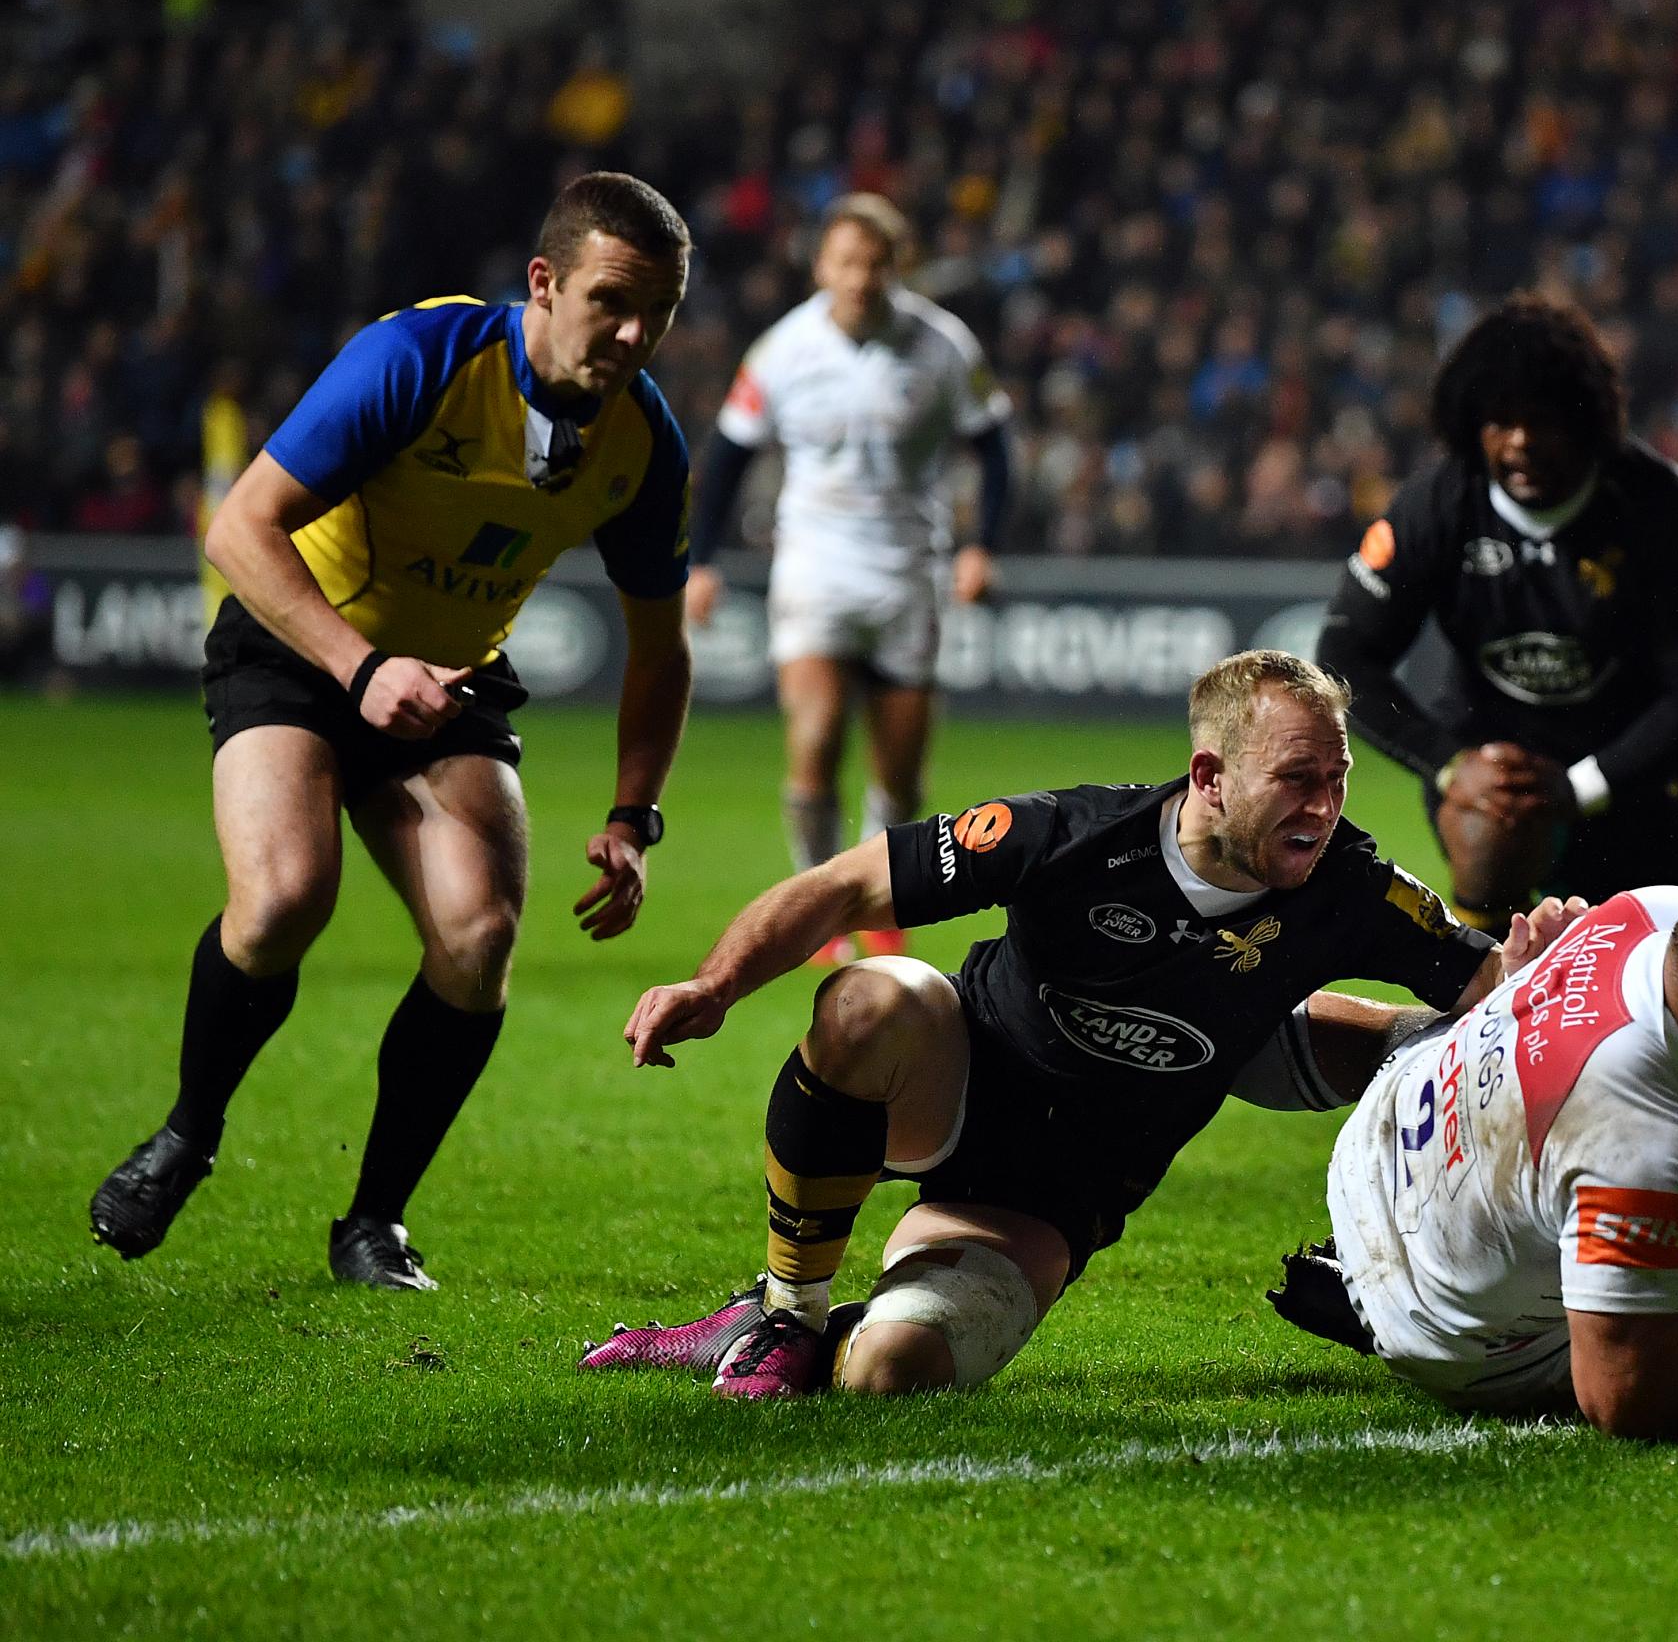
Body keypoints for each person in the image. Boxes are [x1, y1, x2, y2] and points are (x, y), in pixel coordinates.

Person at [582, 651, 1569, 1395]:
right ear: (1210, 774)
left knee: (894, 1366)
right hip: (956, 1082)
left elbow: (1490, 988)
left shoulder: (1349, 885)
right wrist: (711, 986)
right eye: (1296, 778)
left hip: (1045, 1201)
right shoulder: (1069, 834)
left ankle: (794, 1331)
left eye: (1337, 776)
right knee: (871, 995)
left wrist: (1532, 968)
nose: (1323, 804)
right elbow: (843, 885)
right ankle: (788, 1309)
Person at [86, 172, 697, 1291]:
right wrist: (360, 667)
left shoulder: (643, 444)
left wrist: (631, 813)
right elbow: (240, 528)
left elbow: (659, 648)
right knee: (281, 899)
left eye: (657, 312)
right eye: (613, 300)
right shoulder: (419, 360)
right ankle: (188, 1130)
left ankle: (374, 1222)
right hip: (301, 644)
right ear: (544, 283)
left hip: (449, 684)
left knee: (477, 941)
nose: (633, 332)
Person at [1268, 863, 1678, 1438]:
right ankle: (1391, 1304)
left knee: (1486, 1027)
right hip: (1435, 1330)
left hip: (1388, 1124)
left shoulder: (1659, 917)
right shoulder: (1644, 1143)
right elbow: (1624, 1400)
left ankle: (1248, 1033)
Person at [1318, 295, 1678, 937]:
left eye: (1542, 421)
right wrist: (1450, 761)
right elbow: (1346, 654)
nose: (1520, 442)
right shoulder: (1436, 506)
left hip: (1629, 783)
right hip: (1491, 778)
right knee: (1494, 905)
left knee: (1624, 1003)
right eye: (1499, 421)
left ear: (1588, 420)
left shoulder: (1664, 509)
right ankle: (1479, 989)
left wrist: (1582, 786)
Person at [684, 193, 1014, 963]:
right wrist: (701, 561)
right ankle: (818, 902)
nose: (860, 277)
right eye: (845, 261)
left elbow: (996, 445)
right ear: (821, 266)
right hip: (814, 566)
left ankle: (878, 897)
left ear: (898, 268)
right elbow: (728, 456)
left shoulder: (942, 345)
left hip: (909, 569)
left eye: (875, 263)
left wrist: (981, 546)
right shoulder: (782, 351)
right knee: (819, 733)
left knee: (898, 772)